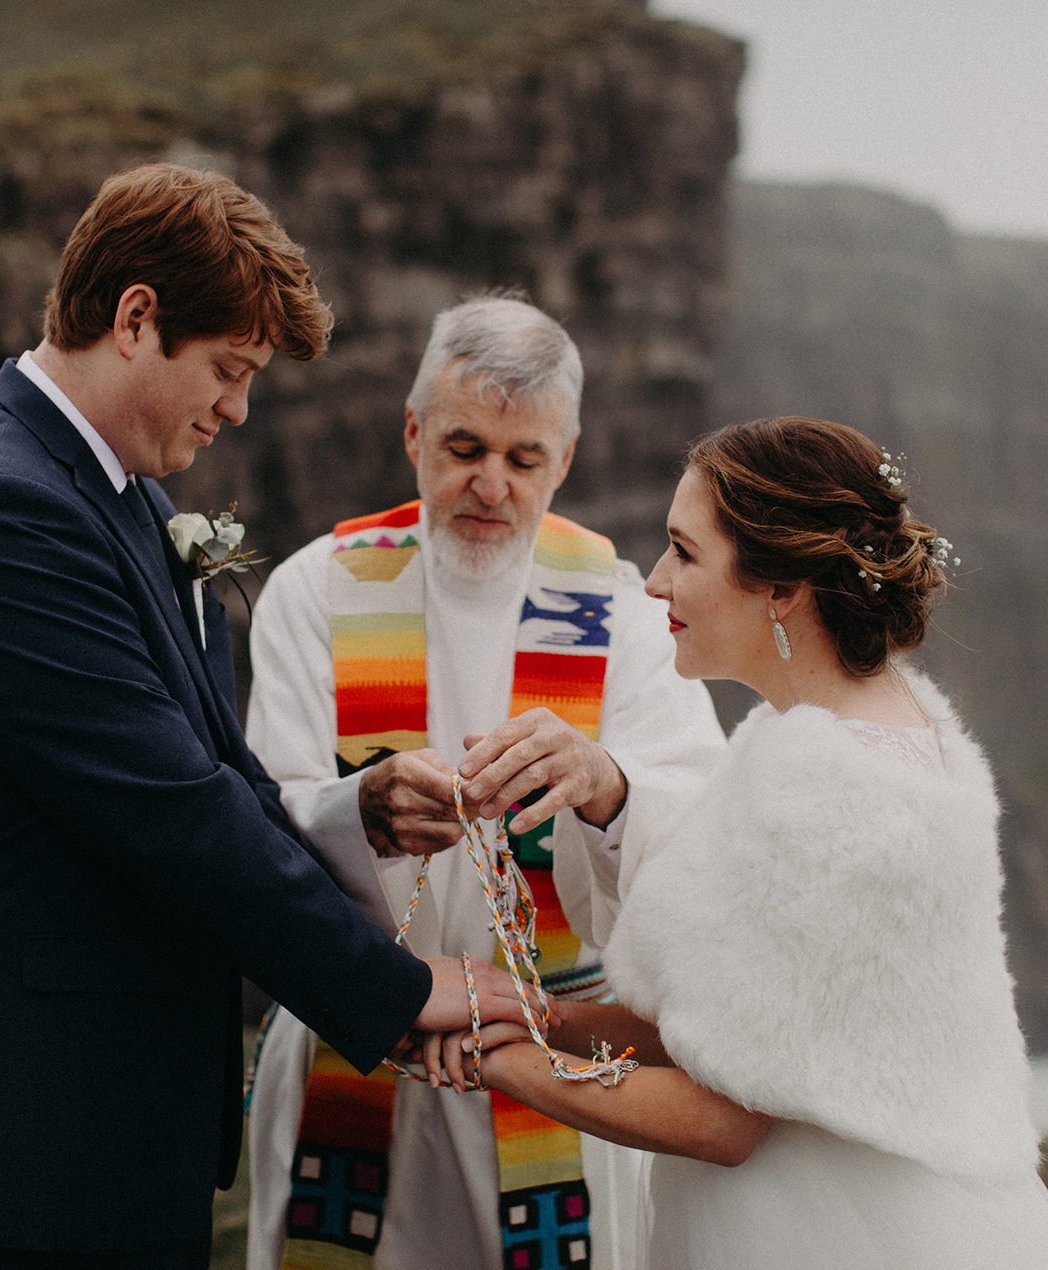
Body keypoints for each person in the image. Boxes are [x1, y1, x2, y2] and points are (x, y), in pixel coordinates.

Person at [0, 163, 519, 1270]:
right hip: (20, 1128)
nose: (237, 408)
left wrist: (356, 810)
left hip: (101, 1120)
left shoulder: (119, 493)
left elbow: (215, 766)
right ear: (135, 317)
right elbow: (168, 809)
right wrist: (394, 987)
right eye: (228, 369)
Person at [428, 416, 1048, 1269]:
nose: (653, 584)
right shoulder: (861, 732)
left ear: (781, 588)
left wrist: (495, 1058)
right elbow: (730, 1020)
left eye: (684, 553)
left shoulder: (832, 789)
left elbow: (724, 1118)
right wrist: (531, 1010)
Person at [243, 295, 727, 1270]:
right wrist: (362, 810)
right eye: (464, 446)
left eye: (523, 458)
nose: (490, 485)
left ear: (569, 456)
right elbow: (252, 821)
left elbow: (708, 834)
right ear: (413, 430)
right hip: (360, 1040)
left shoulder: (627, 617)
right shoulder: (316, 591)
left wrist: (605, 782)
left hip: (553, 1053)